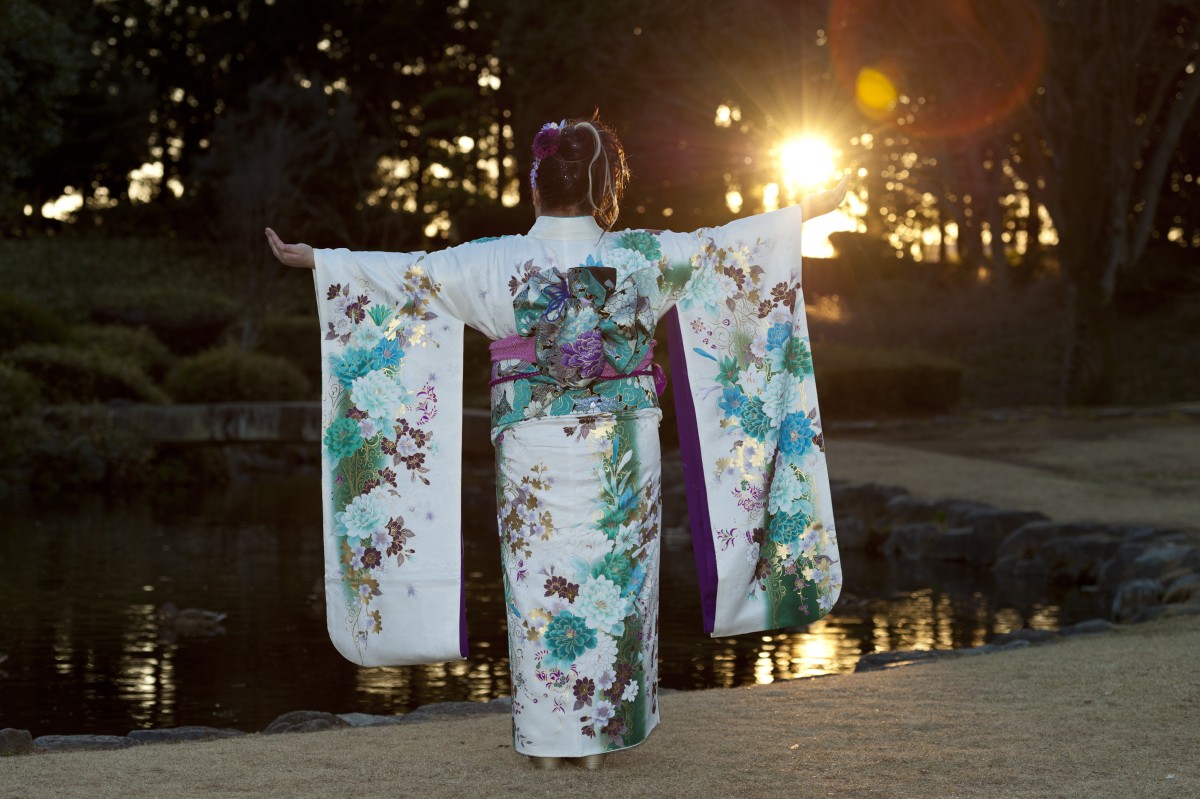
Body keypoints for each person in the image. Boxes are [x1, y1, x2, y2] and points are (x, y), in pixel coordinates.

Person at [266, 115, 848, 769]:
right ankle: (607, 730)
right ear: (601, 185)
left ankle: (547, 740)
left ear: (534, 186)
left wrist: (319, 260)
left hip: (533, 446)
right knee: (618, 580)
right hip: (622, 447)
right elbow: (726, 250)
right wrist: (802, 216)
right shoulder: (641, 254)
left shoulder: (493, 260)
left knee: (539, 585)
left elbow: (408, 276)